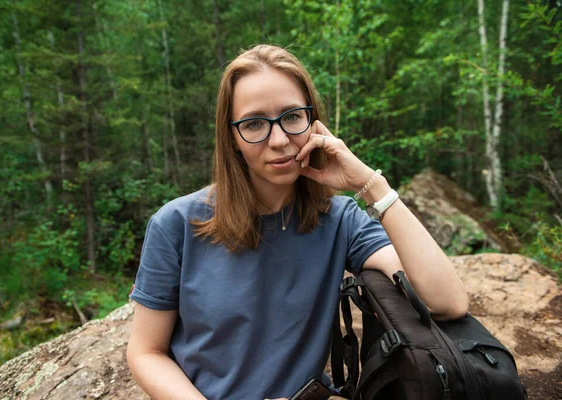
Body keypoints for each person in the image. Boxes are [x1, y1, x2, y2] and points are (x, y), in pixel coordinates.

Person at [125, 44, 469, 400]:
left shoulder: (339, 221)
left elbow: (447, 301)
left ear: (313, 121)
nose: (279, 140)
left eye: (292, 116)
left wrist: (371, 185)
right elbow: (146, 352)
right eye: (254, 123)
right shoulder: (177, 225)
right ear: (231, 136)